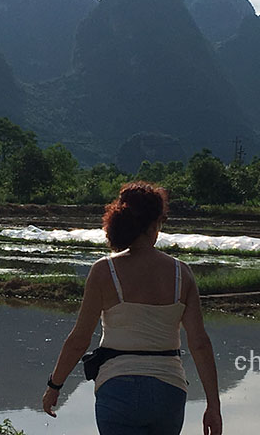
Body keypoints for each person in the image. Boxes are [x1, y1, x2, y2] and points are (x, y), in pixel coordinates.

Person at [42, 181, 222, 434]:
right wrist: (213, 405)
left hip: (117, 389)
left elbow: (79, 339)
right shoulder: (182, 274)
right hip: (168, 391)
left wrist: (54, 386)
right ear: (154, 224)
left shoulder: (105, 271)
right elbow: (200, 342)